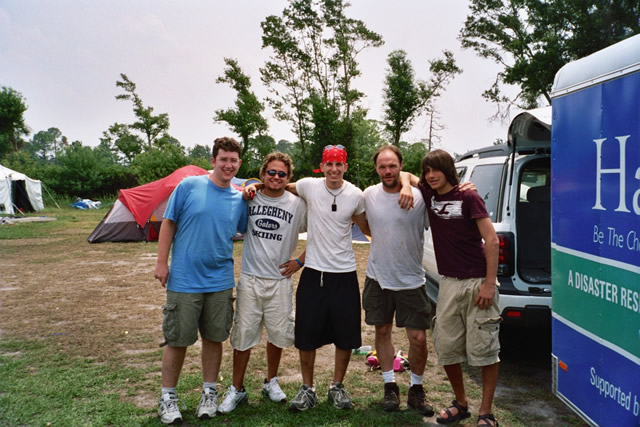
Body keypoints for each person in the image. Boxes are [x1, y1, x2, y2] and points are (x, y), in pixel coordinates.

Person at [244, 144, 370, 412]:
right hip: (314, 274)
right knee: (306, 334)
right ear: (321, 167)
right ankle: (307, 388)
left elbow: (367, 227)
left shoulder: (356, 195)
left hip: (344, 273)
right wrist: (252, 185)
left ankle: (337, 386)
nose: (334, 169)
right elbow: (278, 185)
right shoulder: (308, 186)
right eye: (329, 164)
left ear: (345, 167)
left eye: (339, 164)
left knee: (346, 336)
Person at [401, 149, 500, 427]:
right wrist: (409, 185)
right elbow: (404, 174)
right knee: (447, 347)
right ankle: (461, 403)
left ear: (448, 170)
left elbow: (491, 241)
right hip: (448, 283)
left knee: (485, 350)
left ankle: (486, 413)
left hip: (477, 282)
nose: (431, 175)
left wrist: (489, 285)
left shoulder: (468, 196)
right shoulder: (430, 194)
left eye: (436, 170)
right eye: (427, 171)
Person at [154, 137, 248, 424]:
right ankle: (168, 398)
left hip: (220, 281)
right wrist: (161, 262)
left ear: (239, 163)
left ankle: (209, 393)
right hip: (184, 279)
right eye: (223, 159)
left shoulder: (239, 198)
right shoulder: (189, 186)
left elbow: (245, 230)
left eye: (233, 160)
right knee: (177, 340)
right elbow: (168, 223)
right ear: (213, 160)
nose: (228, 165)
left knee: (214, 337)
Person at [217, 152, 307, 414]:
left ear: (289, 177)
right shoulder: (250, 198)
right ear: (263, 173)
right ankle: (237, 389)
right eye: (271, 172)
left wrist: (300, 261)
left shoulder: (297, 204)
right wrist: (250, 186)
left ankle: (271, 381)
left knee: (278, 335)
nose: (276, 177)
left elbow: (323, 232)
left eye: (282, 174)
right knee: (243, 336)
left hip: (279, 280)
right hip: (251, 279)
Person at [362, 145, 434, 416]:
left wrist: (407, 181)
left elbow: (432, 186)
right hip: (378, 277)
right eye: (382, 166)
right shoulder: (369, 195)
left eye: (393, 166)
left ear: (401, 166)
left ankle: (416, 389)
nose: (387, 171)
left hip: (412, 280)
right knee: (382, 332)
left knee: (418, 338)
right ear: (376, 169)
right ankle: (389, 387)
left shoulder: (419, 196)